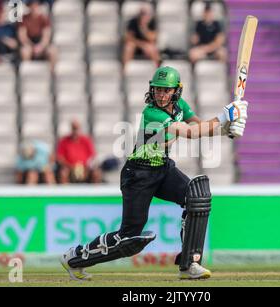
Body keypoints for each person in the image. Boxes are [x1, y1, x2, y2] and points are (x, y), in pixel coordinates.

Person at [59, 66, 247, 280]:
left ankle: (189, 264)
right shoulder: (152, 113)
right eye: (157, 89)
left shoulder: (180, 106)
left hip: (163, 168)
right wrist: (226, 116)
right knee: (129, 238)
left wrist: (228, 129)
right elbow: (191, 133)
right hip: (138, 174)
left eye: (166, 90)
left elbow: (202, 127)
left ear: (176, 91)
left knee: (197, 197)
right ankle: (75, 258)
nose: (161, 94)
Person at [56, 120, 103, 184]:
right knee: (63, 173)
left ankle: (96, 193)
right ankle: (66, 193)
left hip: (85, 168)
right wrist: (70, 166)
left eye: (77, 128)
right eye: (74, 128)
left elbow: (92, 157)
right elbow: (60, 157)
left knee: (96, 173)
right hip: (70, 168)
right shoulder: (64, 141)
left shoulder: (86, 140)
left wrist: (86, 167)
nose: (75, 131)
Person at [18, 0, 57, 70]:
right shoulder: (24, 18)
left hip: (41, 44)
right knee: (24, 51)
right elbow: (22, 36)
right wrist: (32, 46)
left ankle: (52, 74)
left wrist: (40, 46)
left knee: (52, 51)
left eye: (35, 5)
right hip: (29, 44)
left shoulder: (44, 18)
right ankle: (28, 74)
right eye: (32, 5)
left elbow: (46, 36)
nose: (34, 7)